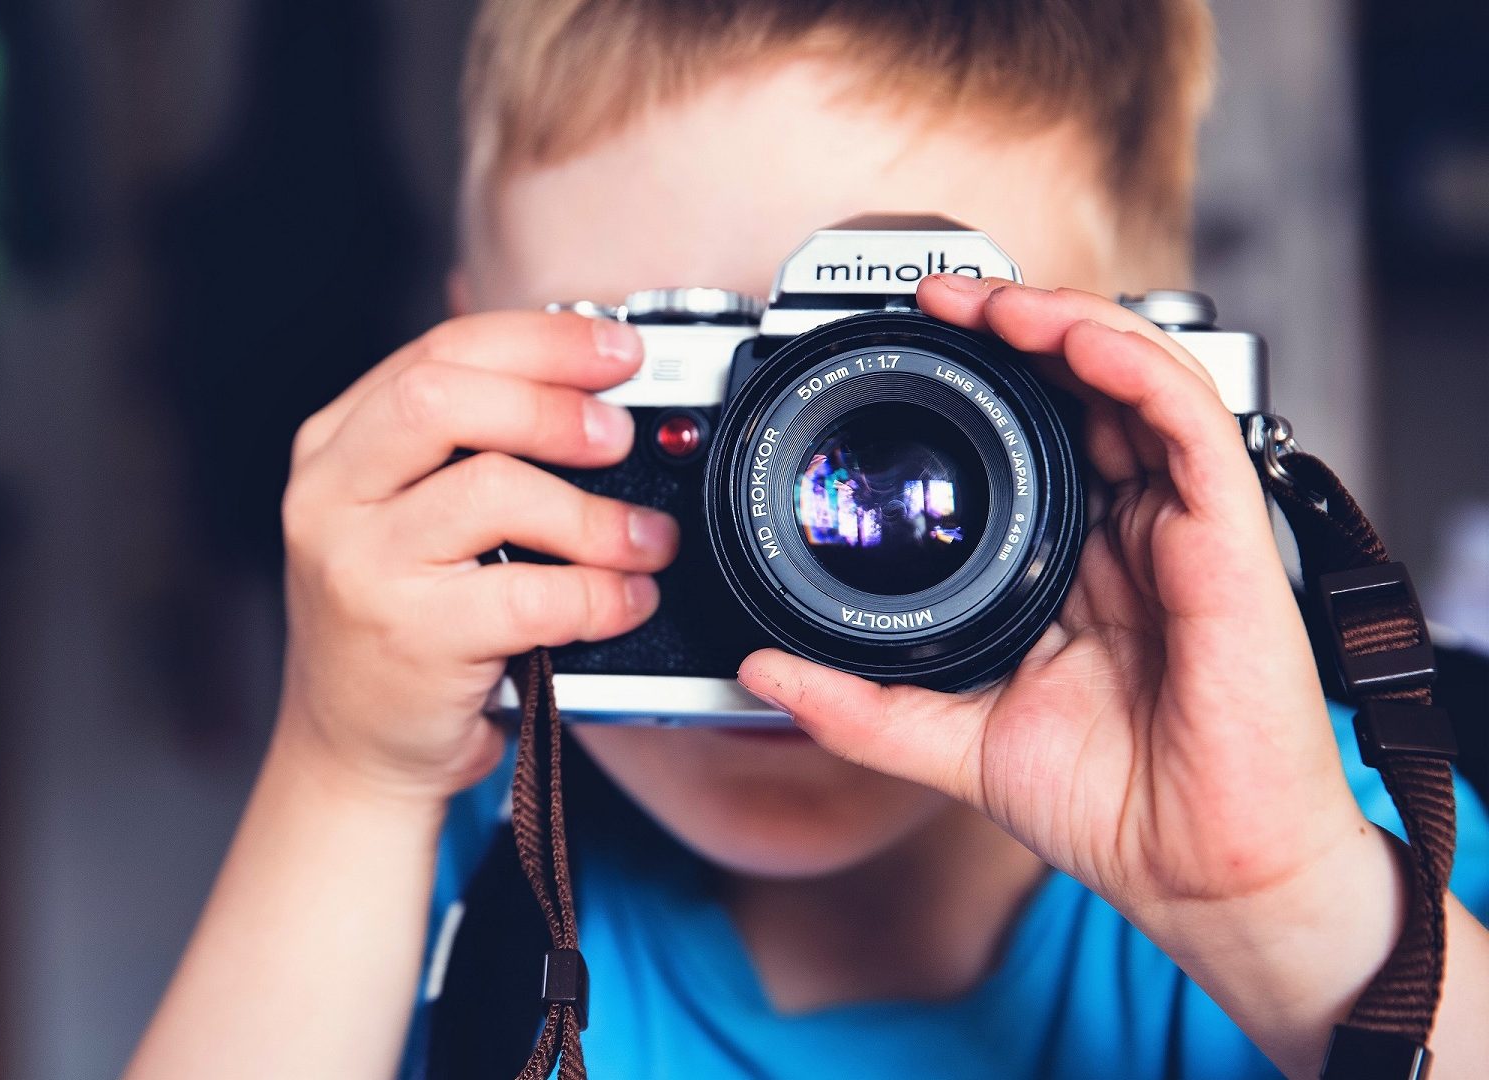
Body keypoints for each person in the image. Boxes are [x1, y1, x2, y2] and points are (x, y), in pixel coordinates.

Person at [124, 1, 1489, 1077]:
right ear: (475, 370)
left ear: (1134, 386)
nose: (782, 556)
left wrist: (1289, 915)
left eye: (908, 406)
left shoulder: (1323, 849)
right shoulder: (443, 875)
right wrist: (347, 766)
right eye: (696, 404)